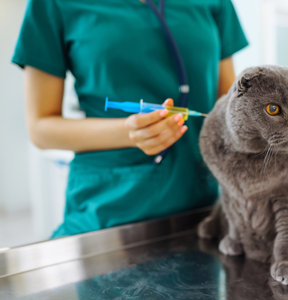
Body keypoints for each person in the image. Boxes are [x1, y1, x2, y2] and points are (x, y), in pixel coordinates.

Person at [12, 0, 248, 238]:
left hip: (205, 210)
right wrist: (128, 132)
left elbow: (229, 106)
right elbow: (40, 128)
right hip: (106, 216)